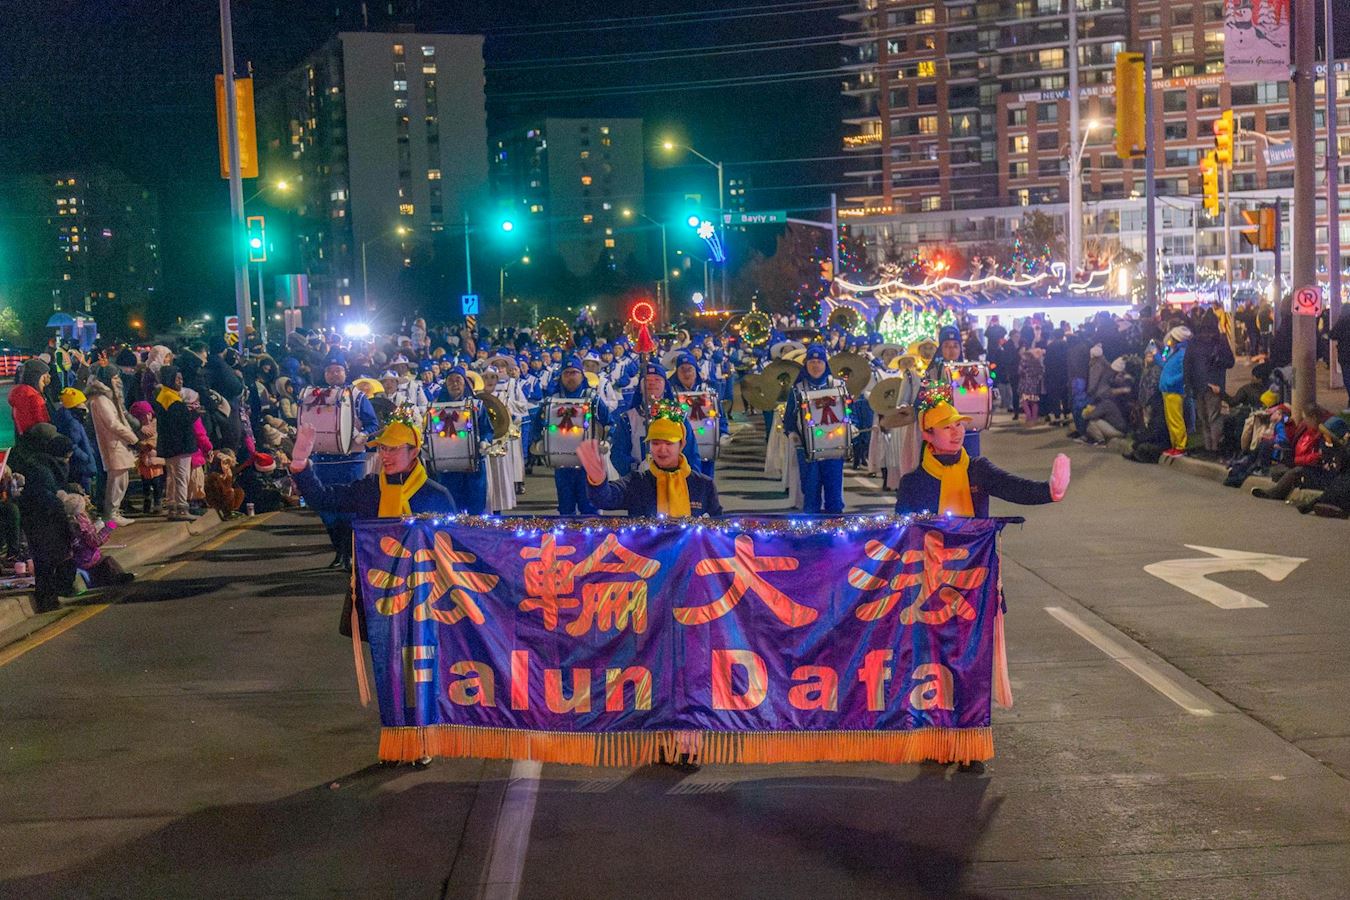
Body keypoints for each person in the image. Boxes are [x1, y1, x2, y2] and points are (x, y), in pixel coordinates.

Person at [896, 388, 1070, 518]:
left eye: (958, 424)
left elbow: (1014, 488)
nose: (957, 432)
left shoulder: (977, 469)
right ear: (927, 435)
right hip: (931, 557)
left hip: (976, 556)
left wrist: (1050, 490)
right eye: (946, 427)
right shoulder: (913, 483)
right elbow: (902, 532)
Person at [576, 404, 722, 517]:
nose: (662, 449)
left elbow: (719, 529)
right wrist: (598, 482)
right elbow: (605, 499)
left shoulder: (703, 486)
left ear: (681, 444)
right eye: (655, 443)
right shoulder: (637, 483)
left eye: (669, 443)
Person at [8, 424, 76, 611]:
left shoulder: (42, 463)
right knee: (51, 559)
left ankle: (50, 596)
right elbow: (46, 495)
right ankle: (50, 597)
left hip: (37, 518)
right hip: (45, 518)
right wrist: (63, 509)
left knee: (45, 559)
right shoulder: (43, 468)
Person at [782, 344, 848, 514]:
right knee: (811, 494)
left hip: (834, 449)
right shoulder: (797, 389)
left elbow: (849, 410)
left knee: (834, 496)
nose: (816, 365)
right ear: (806, 364)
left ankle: (835, 526)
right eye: (812, 362)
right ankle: (812, 528)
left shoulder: (838, 386)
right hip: (807, 451)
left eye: (819, 362)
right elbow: (789, 419)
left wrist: (851, 426)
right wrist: (792, 434)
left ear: (826, 364)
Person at [431, 365, 493, 514]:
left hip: (473, 462)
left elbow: (487, 429)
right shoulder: (436, 407)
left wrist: (485, 441)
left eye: (458, 380)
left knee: (475, 503)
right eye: (450, 381)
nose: (455, 384)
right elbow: (432, 430)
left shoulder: (477, 405)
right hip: (448, 463)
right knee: (451, 505)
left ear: (465, 382)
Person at [85, 366, 139, 525]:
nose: (118, 381)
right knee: (116, 482)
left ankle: (114, 512)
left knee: (121, 480)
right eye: (115, 378)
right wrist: (132, 438)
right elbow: (112, 424)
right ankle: (111, 514)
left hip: (118, 443)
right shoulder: (100, 399)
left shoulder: (107, 397)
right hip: (112, 444)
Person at [152, 365, 198, 522]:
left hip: (169, 445)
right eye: (177, 378)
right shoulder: (172, 399)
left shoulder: (162, 396)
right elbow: (181, 422)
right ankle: (181, 509)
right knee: (181, 477)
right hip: (180, 444)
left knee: (172, 477)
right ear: (170, 379)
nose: (180, 381)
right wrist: (195, 414)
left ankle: (172, 507)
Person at [1159, 326, 1192, 458]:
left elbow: (1185, 373)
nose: (1169, 340)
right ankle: (1175, 445)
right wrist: (1163, 349)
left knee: (1176, 419)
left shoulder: (1182, 354)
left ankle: (1180, 446)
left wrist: (1171, 381)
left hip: (1174, 390)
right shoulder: (1174, 352)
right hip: (1168, 390)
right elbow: (1163, 360)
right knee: (1171, 420)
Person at [10, 358, 54, 436]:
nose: (49, 376)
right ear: (38, 376)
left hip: (25, 437)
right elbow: (42, 423)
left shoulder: (21, 392)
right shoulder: (33, 396)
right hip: (36, 438)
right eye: (46, 373)